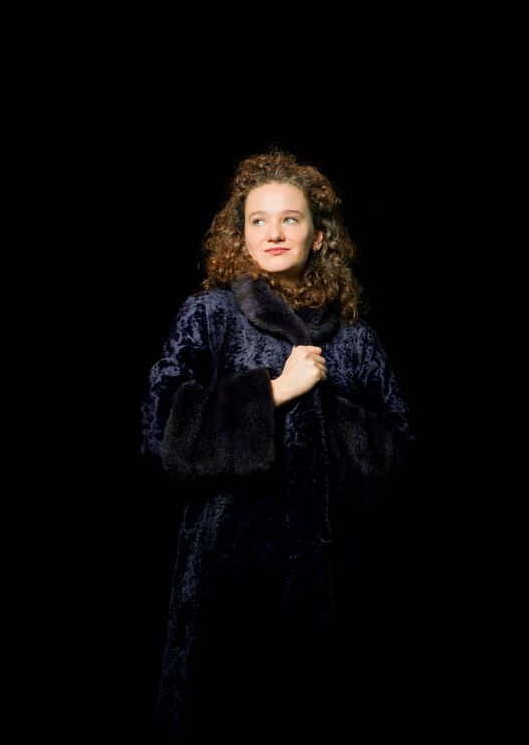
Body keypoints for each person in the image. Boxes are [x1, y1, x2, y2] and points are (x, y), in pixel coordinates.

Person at [141, 148, 414, 742]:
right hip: (225, 581)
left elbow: (398, 458)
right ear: (240, 235)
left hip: (334, 584)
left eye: (291, 219)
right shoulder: (208, 317)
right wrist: (274, 392)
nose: (274, 233)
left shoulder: (356, 338)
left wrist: (321, 410)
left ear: (318, 236)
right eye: (258, 220)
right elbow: (162, 434)